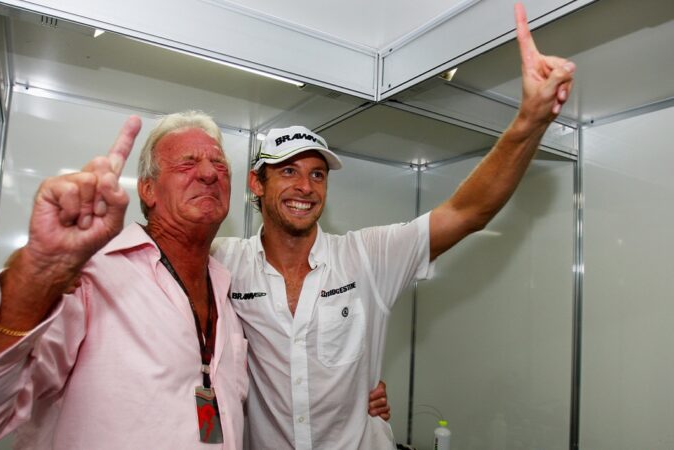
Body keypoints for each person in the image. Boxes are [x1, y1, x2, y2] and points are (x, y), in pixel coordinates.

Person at [209, 4, 575, 449]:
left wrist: (529, 122)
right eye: (287, 171)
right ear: (256, 183)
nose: (305, 186)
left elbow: (467, 213)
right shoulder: (223, 263)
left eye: (318, 173)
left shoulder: (367, 257)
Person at [0, 112, 249, 448]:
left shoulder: (223, 284)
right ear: (148, 189)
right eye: (187, 164)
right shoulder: (89, 276)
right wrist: (38, 275)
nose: (208, 174)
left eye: (220, 165)